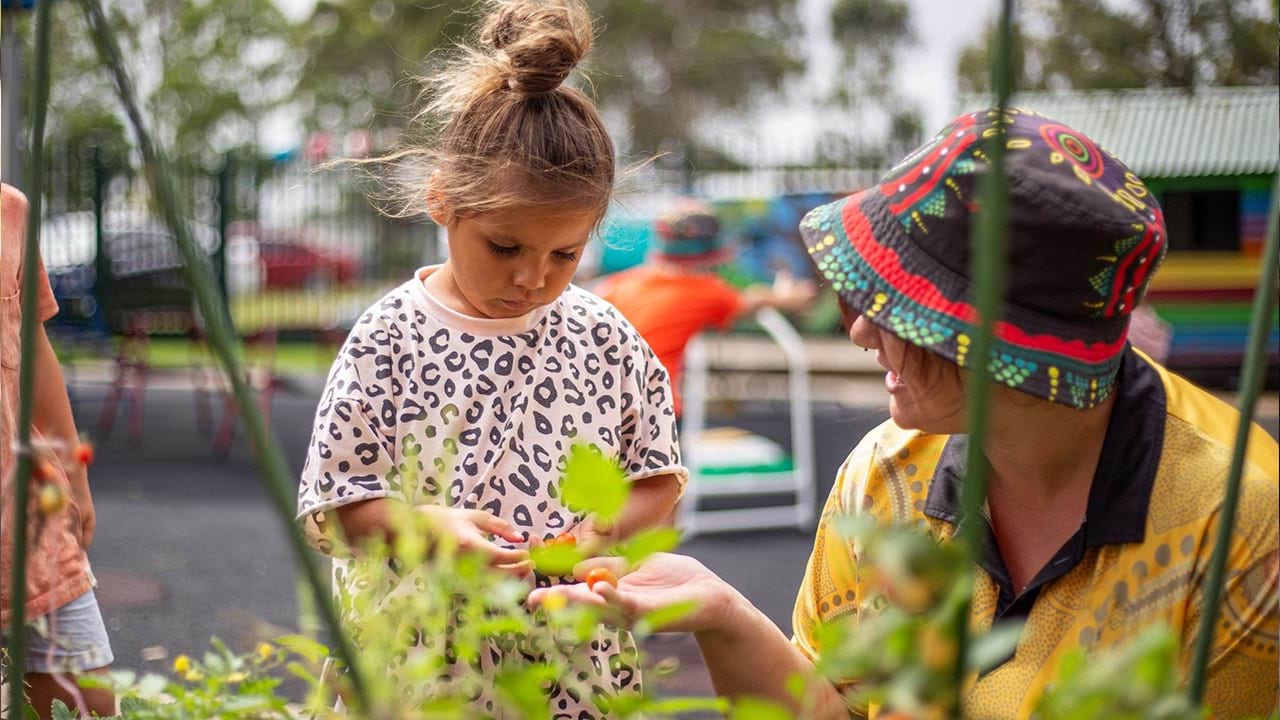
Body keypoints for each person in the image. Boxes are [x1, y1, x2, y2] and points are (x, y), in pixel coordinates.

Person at [529, 109, 1280, 718]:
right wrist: (728, 615)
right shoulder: (884, 473)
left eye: (904, 307)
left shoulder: (1237, 527)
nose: (859, 327)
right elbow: (834, 706)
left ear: (1007, 347)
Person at [294, 1, 685, 715]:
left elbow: (657, 479)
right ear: (442, 202)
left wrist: (601, 533)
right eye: (505, 247)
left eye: (564, 253)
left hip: (569, 671)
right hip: (417, 669)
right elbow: (335, 503)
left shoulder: (605, 337)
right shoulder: (388, 339)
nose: (533, 278)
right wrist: (425, 529)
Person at [1, 183, 115, 718]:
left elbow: (33, 345)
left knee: (86, 698)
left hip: (25, 510)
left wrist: (76, 474)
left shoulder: (10, 210)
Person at [596, 199, 815, 414]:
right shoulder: (705, 291)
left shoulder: (620, 283)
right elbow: (751, 300)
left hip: (599, 400)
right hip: (651, 408)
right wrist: (788, 297)